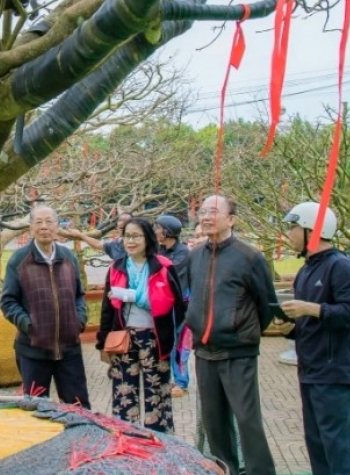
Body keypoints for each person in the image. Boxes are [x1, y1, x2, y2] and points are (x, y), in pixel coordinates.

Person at [185, 195, 278, 475]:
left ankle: (261, 471)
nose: (206, 217)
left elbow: (267, 305)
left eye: (214, 211)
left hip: (238, 351)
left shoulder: (250, 257)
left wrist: (242, 330)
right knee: (213, 420)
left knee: (247, 419)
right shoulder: (195, 256)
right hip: (204, 350)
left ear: (231, 219)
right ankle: (227, 469)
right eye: (202, 211)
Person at [279, 202, 350, 475]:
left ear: (312, 231)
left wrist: (310, 309)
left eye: (294, 227)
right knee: (317, 445)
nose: (289, 233)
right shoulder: (305, 271)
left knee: (340, 448)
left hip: (336, 371)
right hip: (311, 369)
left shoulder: (341, 267)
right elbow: (313, 321)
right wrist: (291, 328)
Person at [96, 217, 185, 432]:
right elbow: (108, 309)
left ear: (148, 238)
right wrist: (102, 343)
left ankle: (160, 439)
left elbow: (175, 304)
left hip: (155, 338)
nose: (130, 241)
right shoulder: (116, 267)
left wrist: (132, 296)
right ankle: (127, 437)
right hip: (124, 338)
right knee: (124, 391)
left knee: (157, 391)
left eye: (136, 236)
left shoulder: (163, 266)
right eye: (127, 236)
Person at [1, 206, 91, 408]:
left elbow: (79, 295)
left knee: (79, 407)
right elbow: (8, 302)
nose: (44, 227)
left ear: (57, 227)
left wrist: (79, 321)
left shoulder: (69, 257)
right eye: (38, 222)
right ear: (31, 227)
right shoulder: (19, 260)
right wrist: (29, 325)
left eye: (49, 221)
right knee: (35, 407)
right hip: (33, 350)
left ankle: (79, 440)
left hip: (69, 349)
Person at [155, 214, 192, 396]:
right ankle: (170, 379)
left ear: (167, 231)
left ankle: (181, 382)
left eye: (158, 228)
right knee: (167, 344)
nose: (156, 231)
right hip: (165, 307)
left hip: (182, 309)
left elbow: (167, 275)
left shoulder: (183, 253)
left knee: (181, 346)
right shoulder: (160, 251)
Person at [60, 209, 131, 261]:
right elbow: (98, 244)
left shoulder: (139, 242)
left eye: (126, 221)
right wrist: (80, 235)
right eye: (120, 220)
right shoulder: (116, 244)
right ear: (117, 224)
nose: (122, 223)